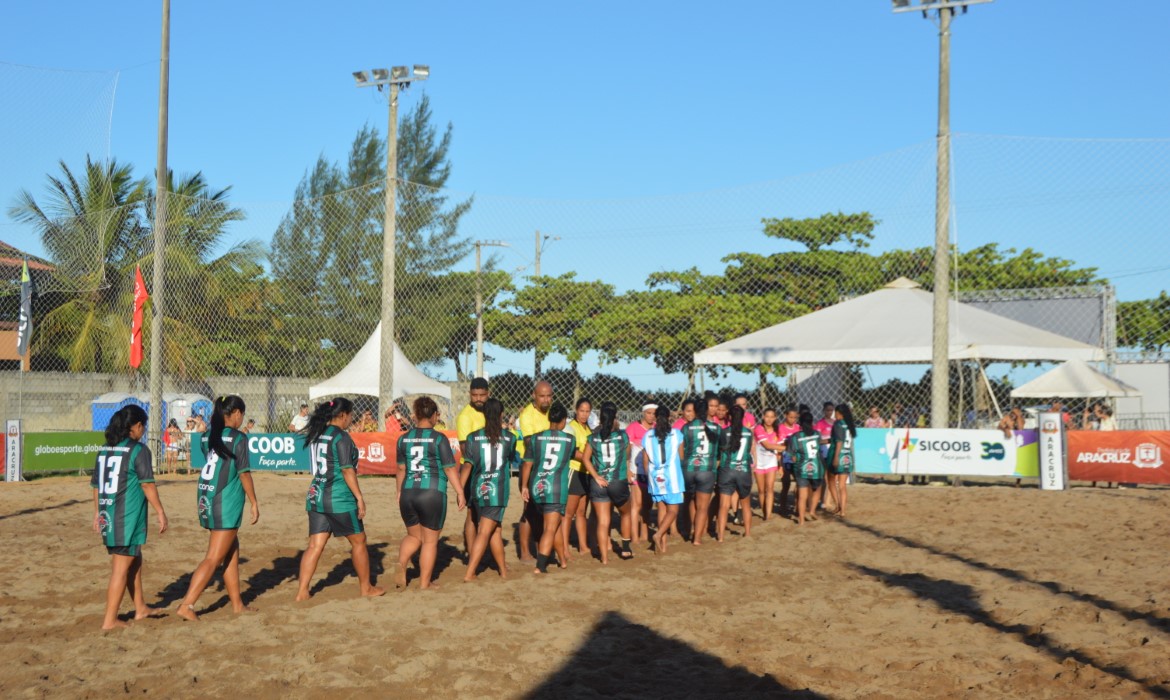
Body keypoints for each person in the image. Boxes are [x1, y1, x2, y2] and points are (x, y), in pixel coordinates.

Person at [176, 395, 261, 621]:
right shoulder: (238, 438)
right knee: (213, 557)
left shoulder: (207, 437)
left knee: (231, 551)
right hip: (225, 501)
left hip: (207, 496)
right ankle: (187, 605)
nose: (242, 419)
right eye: (241, 414)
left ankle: (237, 605)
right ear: (234, 414)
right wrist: (254, 501)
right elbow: (243, 473)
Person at [296, 398, 384, 600]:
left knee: (314, 545)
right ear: (343, 415)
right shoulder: (341, 437)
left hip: (316, 494)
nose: (351, 419)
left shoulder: (319, 433)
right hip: (338, 497)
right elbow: (347, 470)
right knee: (359, 541)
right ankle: (366, 588)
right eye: (351, 415)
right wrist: (359, 497)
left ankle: (302, 591)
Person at [91, 404, 168, 630]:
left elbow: (96, 486)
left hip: (109, 515)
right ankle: (110, 620)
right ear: (135, 426)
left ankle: (140, 607)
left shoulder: (104, 449)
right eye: (142, 426)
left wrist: (97, 512)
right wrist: (160, 511)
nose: (143, 430)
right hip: (126, 518)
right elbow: (147, 485)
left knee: (134, 559)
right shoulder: (139, 450)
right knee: (121, 567)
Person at [394, 397, 465, 590]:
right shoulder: (439, 439)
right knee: (430, 541)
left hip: (408, 491)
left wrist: (399, 491)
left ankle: (401, 563)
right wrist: (460, 492)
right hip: (432, 493)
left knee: (414, 536)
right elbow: (450, 469)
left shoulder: (403, 439)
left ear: (415, 416)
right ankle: (425, 583)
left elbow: (400, 469)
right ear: (434, 415)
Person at [462, 398, 517, 582]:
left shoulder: (472, 438)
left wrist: (460, 491)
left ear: (484, 414)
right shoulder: (510, 438)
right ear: (502, 414)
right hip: (497, 491)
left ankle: (503, 571)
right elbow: (510, 457)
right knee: (485, 531)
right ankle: (470, 573)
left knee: (495, 530)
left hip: (478, 488)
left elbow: (467, 467)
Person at [520, 402, 577, 574]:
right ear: (564, 421)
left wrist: (524, 486)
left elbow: (527, 464)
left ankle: (562, 560)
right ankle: (540, 566)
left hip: (537, 486)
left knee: (555, 525)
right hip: (556, 488)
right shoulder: (570, 440)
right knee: (550, 528)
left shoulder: (535, 438)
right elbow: (571, 456)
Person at [583, 401, 633, 563]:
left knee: (603, 522)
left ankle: (604, 558)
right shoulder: (623, 436)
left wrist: (596, 476)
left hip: (599, 483)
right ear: (615, 417)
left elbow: (585, 459)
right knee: (626, 513)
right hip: (617, 481)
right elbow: (626, 455)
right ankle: (625, 549)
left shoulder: (592, 438)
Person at [516, 380, 554, 563]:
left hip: (548, 468)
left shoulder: (553, 413)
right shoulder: (527, 415)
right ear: (534, 395)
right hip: (530, 469)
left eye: (549, 396)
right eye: (542, 396)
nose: (546, 399)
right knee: (529, 510)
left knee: (542, 511)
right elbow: (530, 442)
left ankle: (540, 548)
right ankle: (524, 552)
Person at [642, 405, 685, 554]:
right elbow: (681, 457)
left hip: (655, 476)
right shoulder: (676, 434)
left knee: (661, 509)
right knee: (673, 510)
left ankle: (661, 547)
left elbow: (645, 460)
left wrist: (650, 476)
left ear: (655, 418)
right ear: (668, 418)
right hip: (672, 477)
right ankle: (659, 534)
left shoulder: (647, 435)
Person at [457, 377, 491, 563]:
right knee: (472, 513)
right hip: (472, 470)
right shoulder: (465, 416)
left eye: (482, 395)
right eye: (474, 395)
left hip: (489, 469)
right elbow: (465, 450)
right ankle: (472, 554)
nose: (478, 398)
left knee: (488, 513)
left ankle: (483, 553)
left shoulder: (490, 412)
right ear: (470, 394)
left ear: (488, 394)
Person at [680, 396, 721, 546]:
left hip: (689, 469)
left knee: (691, 500)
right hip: (707, 470)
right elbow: (719, 451)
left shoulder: (686, 427)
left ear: (695, 411)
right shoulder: (716, 428)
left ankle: (692, 529)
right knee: (703, 506)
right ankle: (697, 538)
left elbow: (681, 450)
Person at [716, 404, 754, 542]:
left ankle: (720, 536)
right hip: (743, 470)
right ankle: (748, 533)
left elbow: (719, 451)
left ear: (729, 416)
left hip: (727, 470)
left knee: (724, 505)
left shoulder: (724, 432)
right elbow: (748, 450)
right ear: (743, 417)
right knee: (745, 504)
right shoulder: (749, 432)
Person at [562, 398, 593, 559]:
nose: (584, 414)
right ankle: (565, 548)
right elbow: (572, 451)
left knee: (581, 512)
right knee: (568, 513)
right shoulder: (570, 428)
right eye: (582, 410)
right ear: (576, 410)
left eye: (587, 411)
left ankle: (583, 546)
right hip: (574, 471)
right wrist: (589, 459)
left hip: (585, 473)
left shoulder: (588, 429)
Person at [625, 403, 656, 544]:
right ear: (643, 413)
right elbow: (627, 450)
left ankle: (644, 533)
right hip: (636, 470)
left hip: (651, 472)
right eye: (648, 413)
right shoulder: (633, 427)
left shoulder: (656, 429)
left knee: (647, 505)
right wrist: (627, 469)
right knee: (636, 504)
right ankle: (634, 536)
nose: (651, 416)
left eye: (654, 413)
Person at [790, 411, 825, 526]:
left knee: (802, 495)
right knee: (817, 490)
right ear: (812, 422)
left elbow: (792, 455)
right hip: (817, 468)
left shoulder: (795, 437)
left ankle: (801, 520)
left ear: (800, 423)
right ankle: (812, 511)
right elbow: (819, 446)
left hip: (801, 468)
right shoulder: (817, 434)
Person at [752, 408, 782, 521]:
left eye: (772, 417)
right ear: (763, 417)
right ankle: (764, 510)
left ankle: (768, 515)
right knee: (761, 490)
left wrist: (780, 465)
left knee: (770, 488)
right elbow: (767, 445)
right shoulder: (758, 429)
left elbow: (778, 450)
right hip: (759, 463)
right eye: (767, 416)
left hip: (771, 462)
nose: (769, 419)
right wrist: (788, 448)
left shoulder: (777, 430)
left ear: (775, 418)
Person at [828, 404, 857, 518]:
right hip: (847, 456)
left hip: (838, 455)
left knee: (830, 481)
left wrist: (835, 457)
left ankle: (838, 505)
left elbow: (839, 441)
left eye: (835, 412)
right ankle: (842, 511)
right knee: (842, 485)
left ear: (839, 413)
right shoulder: (850, 425)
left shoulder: (838, 424)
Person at [776, 407, 801, 514]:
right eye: (790, 417)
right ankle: (782, 507)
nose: (793, 419)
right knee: (786, 484)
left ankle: (797, 506)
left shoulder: (799, 428)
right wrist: (779, 464)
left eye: (795, 417)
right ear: (785, 415)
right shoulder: (780, 428)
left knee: (800, 484)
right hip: (785, 460)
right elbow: (780, 445)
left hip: (797, 460)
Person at [814, 402, 840, 503]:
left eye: (831, 410)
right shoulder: (820, 424)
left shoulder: (836, 423)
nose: (829, 412)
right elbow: (817, 440)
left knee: (833, 477)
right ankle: (822, 500)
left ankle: (828, 501)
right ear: (823, 410)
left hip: (834, 451)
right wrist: (828, 440)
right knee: (825, 477)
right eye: (827, 410)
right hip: (824, 453)